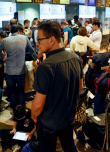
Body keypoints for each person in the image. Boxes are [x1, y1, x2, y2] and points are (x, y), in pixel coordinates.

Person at [31, 22, 83, 152]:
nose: (37, 43)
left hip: (48, 121)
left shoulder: (45, 66)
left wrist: (33, 116)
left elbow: (38, 104)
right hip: (68, 116)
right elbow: (80, 88)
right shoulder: (75, 58)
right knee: (69, 145)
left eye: (39, 40)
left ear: (52, 39)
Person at [0, 24, 36, 109]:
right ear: (19, 31)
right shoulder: (24, 38)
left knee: (12, 91)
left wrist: (3, 58)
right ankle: (21, 109)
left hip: (9, 71)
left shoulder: (5, 40)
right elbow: (31, 51)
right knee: (21, 91)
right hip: (21, 70)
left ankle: (14, 109)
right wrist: (36, 58)